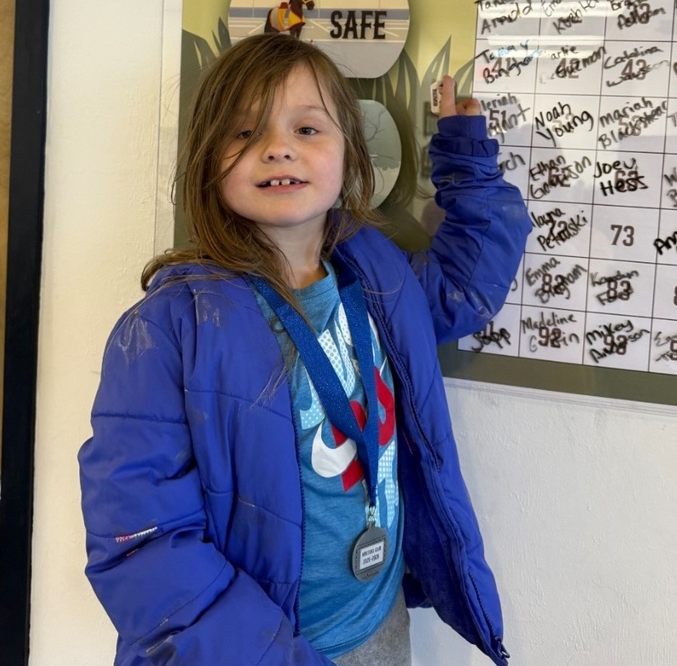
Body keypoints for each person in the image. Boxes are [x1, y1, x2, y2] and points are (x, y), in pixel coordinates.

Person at [79, 33, 531, 666]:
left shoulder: (378, 278)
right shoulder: (166, 331)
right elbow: (142, 545)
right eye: (243, 134)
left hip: (378, 627)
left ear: (349, 154)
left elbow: (465, 285)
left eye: (308, 128)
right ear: (209, 160)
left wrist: (465, 154)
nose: (277, 147)